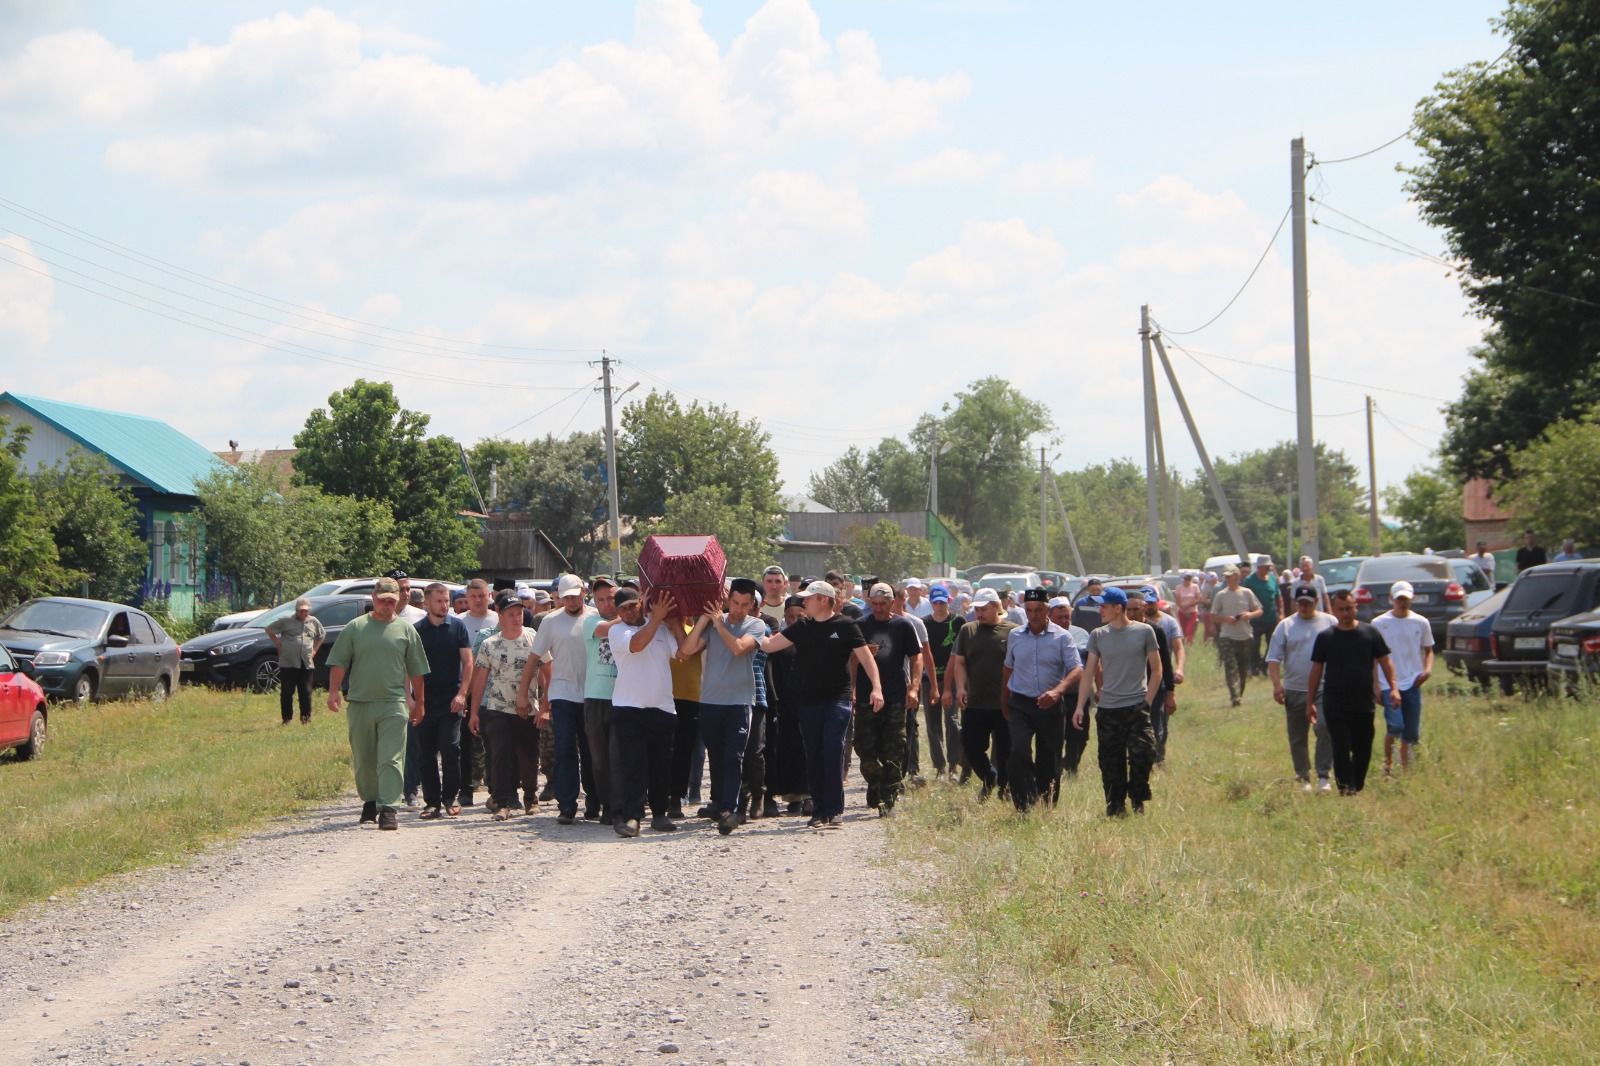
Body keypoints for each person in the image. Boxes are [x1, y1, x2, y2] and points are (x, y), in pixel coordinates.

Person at [758, 581, 881, 830]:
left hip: (838, 700)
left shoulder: (846, 626)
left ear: (823, 600)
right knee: (813, 754)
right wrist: (744, 628)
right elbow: (770, 645)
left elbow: (866, 658)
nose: (803, 603)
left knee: (832, 749)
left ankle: (834, 809)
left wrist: (877, 688)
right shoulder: (801, 627)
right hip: (808, 702)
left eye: (808, 598)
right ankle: (818, 809)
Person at [325, 578, 429, 831]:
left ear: (398, 601)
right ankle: (370, 800)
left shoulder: (406, 630)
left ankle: (389, 808)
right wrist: (333, 692)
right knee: (365, 758)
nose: (386, 606)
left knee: (391, 758)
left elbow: (417, 670)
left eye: (391, 602)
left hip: (393, 703)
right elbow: (339, 661)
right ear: (373, 598)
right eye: (382, 601)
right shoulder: (356, 627)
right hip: (361, 701)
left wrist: (420, 703)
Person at [680, 578, 766, 835]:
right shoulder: (714, 623)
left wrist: (718, 623)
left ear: (752, 604)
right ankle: (719, 803)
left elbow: (739, 649)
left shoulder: (756, 625)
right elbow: (686, 650)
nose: (738, 609)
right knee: (716, 758)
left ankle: (731, 810)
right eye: (734, 603)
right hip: (710, 701)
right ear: (728, 601)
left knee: (733, 757)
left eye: (744, 604)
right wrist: (705, 621)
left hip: (739, 702)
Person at [1073, 586, 1162, 817]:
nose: (1099, 610)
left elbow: (1157, 670)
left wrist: (1147, 701)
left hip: (1136, 707)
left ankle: (1138, 795)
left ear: (1117, 607)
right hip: (1109, 709)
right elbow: (1089, 672)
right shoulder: (1098, 635)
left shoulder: (1144, 632)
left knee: (1144, 754)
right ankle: (1116, 806)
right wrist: (1080, 706)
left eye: (1103, 606)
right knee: (1111, 763)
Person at [607, 588, 685, 837]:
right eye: (624, 608)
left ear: (641, 603)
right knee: (634, 764)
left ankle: (660, 813)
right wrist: (657, 619)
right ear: (618, 612)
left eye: (633, 605)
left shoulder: (660, 628)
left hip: (662, 706)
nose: (629, 612)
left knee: (661, 764)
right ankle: (632, 816)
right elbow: (637, 644)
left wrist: (675, 624)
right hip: (628, 706)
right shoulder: (617, 630)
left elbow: (683, 653)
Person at [1306, 590, 1399, 795]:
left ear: (1356, 607)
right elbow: (1316, 671)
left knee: (1363, 746)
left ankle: (1356, 785)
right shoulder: (1326, 637)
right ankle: (1345, 788)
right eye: (1341, 609)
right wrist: (1310, 701)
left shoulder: (1370, 633)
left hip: (1363, 701)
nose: (1346, 613)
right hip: (1334, 701)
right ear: (1335, 611)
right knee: (1340, 745)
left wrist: (1393, 688)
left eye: (1350, 608)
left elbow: (1386, 662)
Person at [522, 574, 595, 825]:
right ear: (559, 597)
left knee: (590, 749)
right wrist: (524, 693)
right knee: (564, 748)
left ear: (583, 592)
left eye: (575, 595)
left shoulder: (596, 618)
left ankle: (594, 800)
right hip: (562, 692)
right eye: (566, 597)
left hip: (591, 692)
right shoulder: (551, 622)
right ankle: (567, 804)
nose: (572, 600)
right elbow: (534, 657)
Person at [1002, 588, 1082, 811]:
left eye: (1038, 610)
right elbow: (1008, 668)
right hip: (1021, 702)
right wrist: (1004, 699)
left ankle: (1046, 804)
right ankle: (1023, 803)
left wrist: (1058, 691)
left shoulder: (1062, 637)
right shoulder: (1015, 635)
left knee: (1049, 757)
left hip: (1050, 704)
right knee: (1018, 751)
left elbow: (1077, 669)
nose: (1033, 614)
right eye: (1029, 610)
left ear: (1047, 610)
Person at [851, 583, 922, 816]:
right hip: (865, 696)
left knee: (894, 748)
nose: (879, 609)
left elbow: (916, 656)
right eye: (875, 604)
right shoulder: (860, 625)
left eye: (883, 604)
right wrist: (852, 687)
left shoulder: (902, 626)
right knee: (864, 746)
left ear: (892, 603)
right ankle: (876, 781)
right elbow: (851, 660)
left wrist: (914, 687)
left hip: (894, 696)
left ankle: (888, 797)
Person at [468, 597, 540, 821]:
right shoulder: (490, 644)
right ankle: (502, 801)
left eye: (519, 613)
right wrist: (473, 713)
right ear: (501, 616)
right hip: (497, 707)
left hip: (527, 707)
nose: (516, 618)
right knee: (500, 755)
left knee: (528, 756)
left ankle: (530, 797)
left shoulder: (533, 639)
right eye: (511, 614)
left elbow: (548, 669)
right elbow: (479, 679)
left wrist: (546, 705)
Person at [1266, 584, 1336, 793]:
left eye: (1308, 603)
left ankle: (1324, 775)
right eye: (1300, 604)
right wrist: (1277, 685)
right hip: (1295, 688)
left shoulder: (1329, 623)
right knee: (1297, 735)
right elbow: (1273, 658)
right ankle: (1303, 776)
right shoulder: (1286, 626)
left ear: (1316, 602)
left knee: (1324, 728)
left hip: (1324, 687)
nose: (1304, 607)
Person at [947, 588, 1016, 799]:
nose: (979, 614)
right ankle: (989, 776)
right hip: (975, 701)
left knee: (1005, 749)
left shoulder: (1013, 632)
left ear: (996, 607)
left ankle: (1005, 788)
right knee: (970, 747)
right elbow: (959, 662)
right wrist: (959, 688)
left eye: (984, 609)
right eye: (977, 609)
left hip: (1005, 702)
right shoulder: (968, 631)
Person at [412, 582, 472, 819]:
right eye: (439, 601)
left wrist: (462, 694)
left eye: (446, 600)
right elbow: (409, 668)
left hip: (451, 700)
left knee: (451, 748)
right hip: (424, 700)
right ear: (427, 603)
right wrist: (412, 700)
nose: (444, 605)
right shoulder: (416, 630)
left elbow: (468, 662)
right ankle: (432, 802)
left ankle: (450, 798)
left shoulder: (458, 627)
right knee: (425, 752)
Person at [1372, 581, 1434, 777]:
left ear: (1412, 599)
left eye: (1406, 599)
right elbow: (1373, 657)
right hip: (1388, 682)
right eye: (1399, 599)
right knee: (1396, 725)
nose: (1403, 603)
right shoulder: (1379, 624)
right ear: (1391, 599)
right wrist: (1375, 684)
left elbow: (1429, 649)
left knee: (1411, 732)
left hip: (1413, 680)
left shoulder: (1421, 622)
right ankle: (1388, 764)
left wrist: (1427, 670)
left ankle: (1406, 768)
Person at [764, 595, 812, 814]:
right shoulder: (779, 640)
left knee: (807, 749)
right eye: (790, 616)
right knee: (784, 749)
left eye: (798, 616)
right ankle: (790, 795)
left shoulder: (813, 638)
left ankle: (809, 795)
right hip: (783, 704)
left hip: (809, 702)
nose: (794, 620)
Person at [455, 580, 498, 810]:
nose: (478, 600)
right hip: (467, 688)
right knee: (466, 741)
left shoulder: (497, 620)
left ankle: (495, 787)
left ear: (489, 595)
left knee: (492, 740)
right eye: (473, 596)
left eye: (482, 595)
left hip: (493, 690)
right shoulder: (459, 622)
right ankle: (466, 788)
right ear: (467, 598)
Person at [581, 576, 619, 824]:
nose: (606, 603)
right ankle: (606, 804)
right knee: (600, 758)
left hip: (623, 696)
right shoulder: (590, 621)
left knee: (620, 755)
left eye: (612, 599)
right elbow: (606, 630)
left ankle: (621, 804)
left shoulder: (632, 623)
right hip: (596, 695)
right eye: (601, 599)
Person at [889, 584, 935, 789]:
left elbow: (925, 656)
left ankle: (911, 769)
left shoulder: (914, 623)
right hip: (886, 686)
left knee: (910, 727)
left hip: (908, 684)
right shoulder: (877, 622)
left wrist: (932, 685)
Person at [1126, 590, 1176, 765]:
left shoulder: (1156, 630)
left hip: (1154, 687)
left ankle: (1155, 759)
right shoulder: (1120, 631)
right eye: (1128, 610)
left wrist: (1170, 692)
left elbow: (1166, 664)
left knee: (1154, 724)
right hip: (1129, 688)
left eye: (1136, 609)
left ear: (1144, 608)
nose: (1132, 614)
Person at [920, 585, 963, 782]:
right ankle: (939, 767)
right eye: (935, 601)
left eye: (942, 601)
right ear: (931, 602)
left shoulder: (958, 622)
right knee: (932, 723)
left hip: (952, 679)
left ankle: (954, 764)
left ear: (948, 601)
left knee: (952, 721)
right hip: (929, 679)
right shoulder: (924, 623)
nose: (939, 605)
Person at [1047, 597, 1092, 783]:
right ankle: (1054, 769)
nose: (1065, 621)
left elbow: (1092, 664)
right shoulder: (1042, 634)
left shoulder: (1082, 634)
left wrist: (1099, 687)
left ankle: (1071, 765)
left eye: (1067, 617)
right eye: (1060, 617)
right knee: (1054, 735)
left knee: (1080, 735)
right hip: (1052, 695)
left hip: (1078, 694)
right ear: (1050, 616)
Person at [265, 597, 324, 725]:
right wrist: (278, 643)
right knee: (287, 691)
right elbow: (269, 629)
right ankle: (287, 719)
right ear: (296, 610)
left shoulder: (313, 622)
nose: (303, 613)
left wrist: (314, 650)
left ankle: (306, 719)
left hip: (306, 662)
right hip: (288, 662)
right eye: (301, 611)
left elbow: (321, 635)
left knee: (306, 692)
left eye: (306, 611)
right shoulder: (286, 621)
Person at [1211, 565, 1260, 706]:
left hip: (1245, 636)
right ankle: (1235, 697)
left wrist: (1249, 614)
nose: (1227, 579)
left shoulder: (1247, 593)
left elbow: (1259, 610)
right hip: (1227, 636)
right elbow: (1213, 616)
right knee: (1230, 667)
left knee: (1242, 669)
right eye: (1225, 576)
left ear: (1237, 577)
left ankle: (1240, 693)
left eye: (1229, 576)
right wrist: (1226, 619)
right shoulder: (1221, 595)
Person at [1242, 557, 1280, 677]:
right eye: (1266, 566)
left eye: (1269, 566)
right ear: (1259, 567)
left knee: (1272, 644)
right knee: (1254, 644)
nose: (1269, 568)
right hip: (1256, 619)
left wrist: (1281, 612)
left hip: (1271, 617)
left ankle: (1265, 665)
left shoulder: (1273, 579)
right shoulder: (1250, 580)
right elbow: (1245, 598)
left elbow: (1278, 597)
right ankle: (1254, 667)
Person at [1173, 574, 1202, 644]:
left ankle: (1189, 645)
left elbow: (1198, 599)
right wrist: (1183, 609)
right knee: (1182, 630)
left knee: (1189, 629)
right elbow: (1177, 600)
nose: (1187, 580)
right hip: (1182, 611)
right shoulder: (1179, 587)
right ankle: (1182, 644)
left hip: (1192, 611)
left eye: (1189, 579)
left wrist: (1189, 606)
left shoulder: (1195, 587)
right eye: (1186, 579)